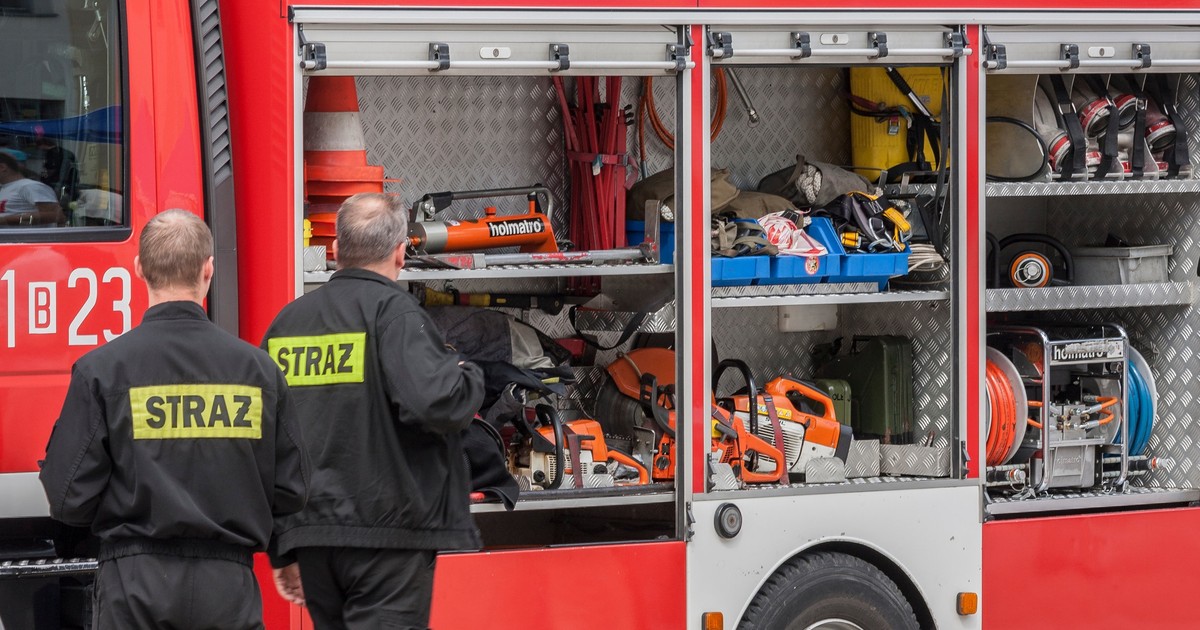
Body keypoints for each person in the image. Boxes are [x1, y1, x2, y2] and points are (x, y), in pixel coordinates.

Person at [39, 209, 310, 629]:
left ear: (139, 268)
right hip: (228, 587)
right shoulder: (259, 371)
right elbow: (291, 491)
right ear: (209, 270)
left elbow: (68, 497)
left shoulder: (102, 370)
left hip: (135, 585)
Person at [261, 192, 485, 630]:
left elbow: (264, 443)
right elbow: (436, 403)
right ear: (401, 254)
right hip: (387, 541)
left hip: (314, 541)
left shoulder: (285, 325)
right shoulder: (395, 315)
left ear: (337, 250)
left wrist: (283, 546)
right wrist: (468, 376)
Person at [0, 149, 65, 226]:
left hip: (30, 237)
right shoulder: (4, 188)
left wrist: (6, 220)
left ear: (2, 167)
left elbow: (57, 216)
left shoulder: (30, 186)